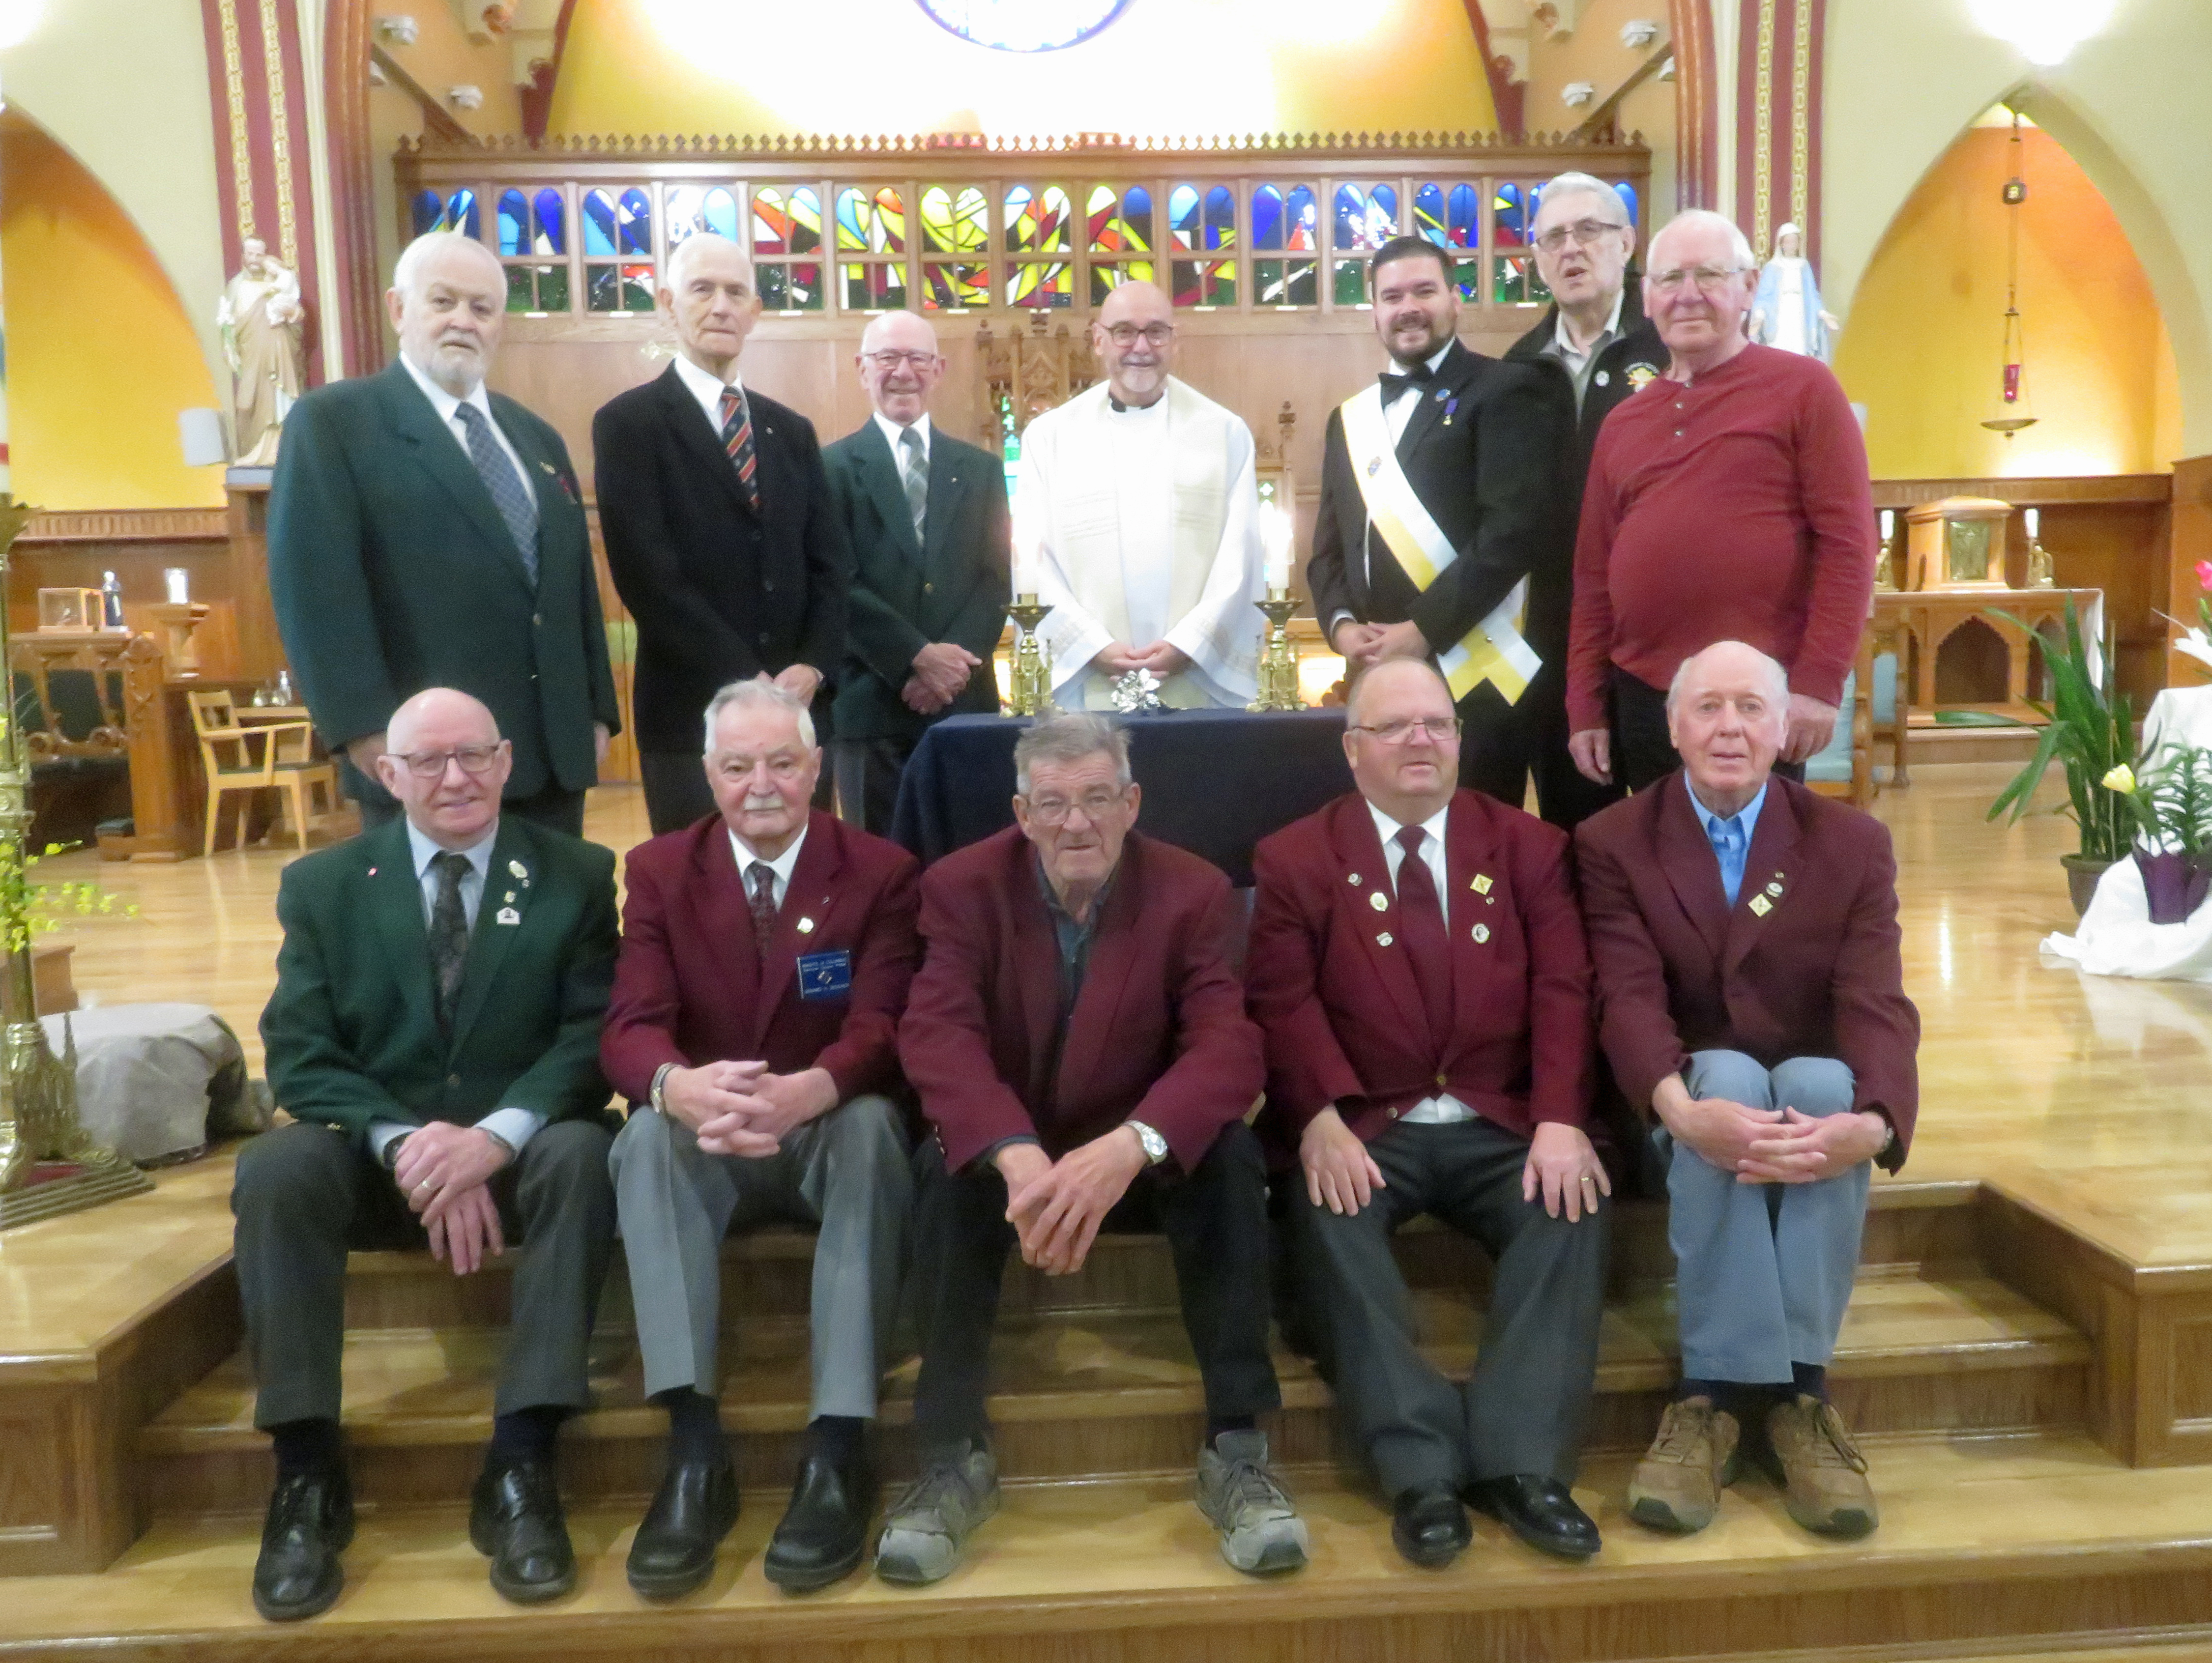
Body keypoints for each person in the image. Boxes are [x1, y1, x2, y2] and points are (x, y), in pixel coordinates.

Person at [881, 713, 1305, 1584]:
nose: (1078, 822)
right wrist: (1012, 1150)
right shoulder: (962, 886)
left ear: (1133, 801)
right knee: (944, 1165)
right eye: (1055, 802)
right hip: (1020, 1157)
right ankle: (950, 1455)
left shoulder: (1189, 889)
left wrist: (1132, 1144)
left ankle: (1238, 1446)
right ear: (1022, 811)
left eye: (1099, 798)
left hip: (1137, 1152)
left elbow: (1228, 1046)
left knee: (1226, 1153)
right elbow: (937, 1034)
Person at [237, 688, 619, 1619]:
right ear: (387, 773)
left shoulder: (573, 872)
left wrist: (491, 1139)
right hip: (382, 1158)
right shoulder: (324, 886)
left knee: (584, 1152)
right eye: (433, 760)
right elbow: (298, 1053)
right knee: (275, 1169)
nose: (459, 777)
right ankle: (306, 1472)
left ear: (508, 759)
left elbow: (591, 1038)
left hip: (521, 1151)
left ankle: (525, 1455)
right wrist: (411, 1144)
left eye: (477, 755)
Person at [1248, 658, 1610, 1568]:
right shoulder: (1296, 856)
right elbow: (1281, 999)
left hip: (1502, 1117)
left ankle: (1522, 1465)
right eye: (1396, 726)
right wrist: (1318, 1113)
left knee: (1573, 1202)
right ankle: (1420, 1470)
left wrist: (1561, 1117)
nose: (1422, 740)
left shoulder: (1528, 845)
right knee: (1327, 1211)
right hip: (1371, 1120)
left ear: (1460, 740)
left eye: (1438, 725)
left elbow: (1567, 987)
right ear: (1352, 748)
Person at [1573, 641, 1918, 1542]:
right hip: (1678, 1094)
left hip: (1802, 1096)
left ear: (1788, 729)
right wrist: (1681, 1110)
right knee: (1724, 1071)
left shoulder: (1851, 841)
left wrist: (1874, 1123)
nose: (1731, 727)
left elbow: (1877, 998)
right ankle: (1729, 1393)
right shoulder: (1613, 840)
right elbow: (1627, 994)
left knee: (1822, 1081)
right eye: (1710, 707)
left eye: (1752, 708)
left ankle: (1784, 1399)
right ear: (1674, 727)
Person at [603, 680, 920, 1596]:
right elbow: (630, 1023)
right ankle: (694, 1448)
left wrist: (816, 1086)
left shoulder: (881, 869)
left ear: (817, 768)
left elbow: (889, 1017)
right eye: (738, 766)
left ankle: (837, 1444)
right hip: (710, 1133)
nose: (762, 785)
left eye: (784, 762)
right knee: (639, 1141)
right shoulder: (661, 868)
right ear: (708, 773)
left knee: (871, 1127)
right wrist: (679, 1085)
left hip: (821, 1122)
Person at [269, 233, 619, 837]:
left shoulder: (536, 437)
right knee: (441, 929)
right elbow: (315, 591)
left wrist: (594, 712)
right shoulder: (336, 425)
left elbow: (574, 586)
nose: (464, 321)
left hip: (550, 751)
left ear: (499, 324)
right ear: (398, 310)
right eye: (444, 302)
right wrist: (364, 729)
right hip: (424, 760)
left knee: (555, 926)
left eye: (482, 308)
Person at [1565, 210, 1876, 796]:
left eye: (1708, 275)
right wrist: (1586, 703)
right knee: (1656, 872)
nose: (1688, 296)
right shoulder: (1622, 421)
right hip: (1643, 693)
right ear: (1648, 298)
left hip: (1758, 697)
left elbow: (1850, 546)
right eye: (1670, 280)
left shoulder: (1805, 389)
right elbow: (1592, 578)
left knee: (1758, 871)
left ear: (1749, 287)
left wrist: (1818, 683)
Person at [593, 232, 850, 833]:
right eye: (702, 290)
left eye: (736, 292)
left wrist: (812, 666)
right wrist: (744, 679)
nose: (721, 306)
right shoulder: (628, 425)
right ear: (667, 303)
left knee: (804, 893)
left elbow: (832, 567)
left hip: (800, 715)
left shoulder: (792, 431)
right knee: (700, 897)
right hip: (691, 717)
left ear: (756, 313)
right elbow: (648, 576)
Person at [1308, 235, 1575, 806]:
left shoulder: (1506, 389)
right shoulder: (1347, 420)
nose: (1408, 307)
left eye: (1425, 291)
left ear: (1456, 300)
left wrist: (1420, 631)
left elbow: (1511, 535)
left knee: (1474, 847)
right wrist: (1340, 625)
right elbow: (1327, 547)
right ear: (1375, 312)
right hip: (1376, 676)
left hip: (1473, 673)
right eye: (1392, 295)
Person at [1502, 173, 1667, 830]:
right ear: (1537, 259)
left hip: (1660, 630)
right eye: (1554, 238)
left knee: (1673, 831)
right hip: (1558, 636)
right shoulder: (1517, 370)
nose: (1572, 249)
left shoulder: (1671, 343)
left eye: (1589, 231)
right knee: (1580, 831)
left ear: (1627, 243)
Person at [1019, 281, 1263, 709]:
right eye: (1124, 332)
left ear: (1175, 340)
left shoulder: (1224, 432)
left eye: (1156, 332)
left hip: (1194, 679)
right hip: (1086, 683)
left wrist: (1188, 645)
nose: (1141, 346)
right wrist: (1092, 646)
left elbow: (1240, 555)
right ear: (1098, 340)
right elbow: (1031, 560)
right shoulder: (1049, 437)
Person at [822, 310, 1010, 832]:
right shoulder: (829, 468)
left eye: (917, 358)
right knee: (878, 876)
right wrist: (914, 659)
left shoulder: (981, 470)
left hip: (963, 706)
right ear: (862, 368)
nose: (902, 371)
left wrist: (946, 673)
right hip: (870, 705)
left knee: (970, 869)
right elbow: (836, 581)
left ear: (939, 369)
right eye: (887, 358)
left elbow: (996, 582)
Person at [219, 234, 306, 466]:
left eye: (260, 255)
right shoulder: (236, 286)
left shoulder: (278, 283)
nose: (256, 260)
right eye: (251, 254)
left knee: (281, 401)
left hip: (278, 350)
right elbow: (228, 325)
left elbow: (297, 319)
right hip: (251, 355)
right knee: (247, 405)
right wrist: (229, 347)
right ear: (243, 256)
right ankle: (251, 453)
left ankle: (282, 452)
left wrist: (292, 314)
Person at [1750, 225, 1840, 361]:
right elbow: (1764, 296)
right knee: (1780, 349)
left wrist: (1823, 314)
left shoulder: (1803, 266)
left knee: (1798, 348)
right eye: (1788, 242)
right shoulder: (1773, 267)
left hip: (1799, 313)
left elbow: (1811, 295)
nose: (1792, 245)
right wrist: (1760, 316)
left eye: (1795, 242)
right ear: (1781, 244)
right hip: (1781, 312)